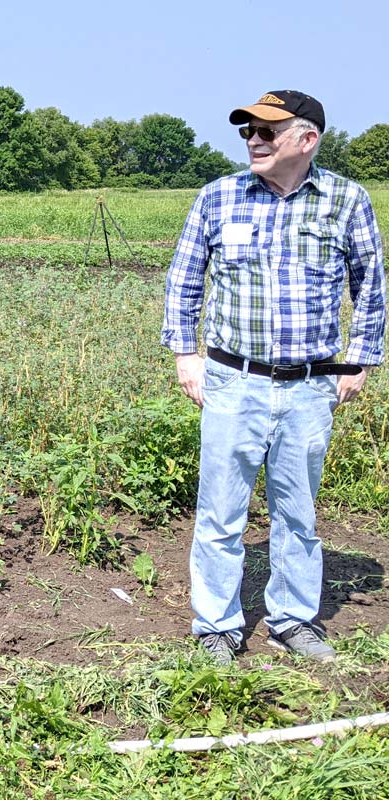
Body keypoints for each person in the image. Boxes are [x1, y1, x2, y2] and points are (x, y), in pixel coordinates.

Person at [162, 90, 385, 666]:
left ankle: (293, 619)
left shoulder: (346, 200)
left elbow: (370, 285)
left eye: (267, 131)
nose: (253, 142)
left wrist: (359, 360)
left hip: (311, 385)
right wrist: (187, 355)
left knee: (297, 511)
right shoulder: (219, 197)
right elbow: (185, 280)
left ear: (306, 139)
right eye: (247, 133)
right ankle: (216, 625)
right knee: (220, 511)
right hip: (234, 380)